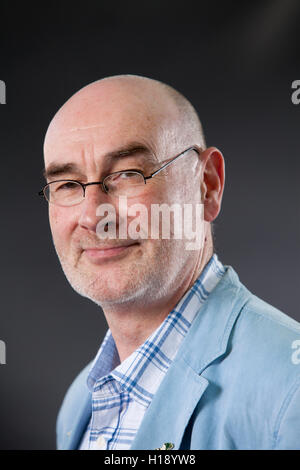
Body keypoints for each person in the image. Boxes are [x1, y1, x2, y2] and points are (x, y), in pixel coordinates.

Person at [40, 74, 300, 450]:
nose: (94, 215)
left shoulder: (290, 392)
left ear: (207, 185)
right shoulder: (78, 407)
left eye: (128, 174)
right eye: (66, 185)